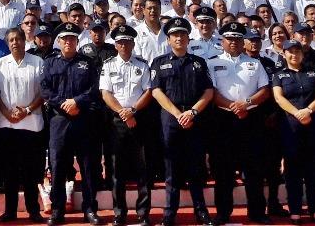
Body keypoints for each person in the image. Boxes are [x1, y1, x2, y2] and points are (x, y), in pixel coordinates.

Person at [150, 17, 215, 226]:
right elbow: (156, 91)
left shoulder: (198, 62)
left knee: (196, 168)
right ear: (168, 39)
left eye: (182, 34)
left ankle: (201, 212)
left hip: (195, 119)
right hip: (171, 119)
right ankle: (169, 214)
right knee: (171, 169)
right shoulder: (159, 62)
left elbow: (208, 91)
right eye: (174, 35)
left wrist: (193, 113)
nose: (179, 38)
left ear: (188, 38)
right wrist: (178, 114)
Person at [41, 22, 101, 226]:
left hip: (83, 118)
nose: (68, 41)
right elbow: (45, 89)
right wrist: (63, 104)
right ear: (58, 41)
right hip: (59, 119)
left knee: (88, 166)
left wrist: (76, 102)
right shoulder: (50, 62)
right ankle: (57, 209)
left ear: (77, 41)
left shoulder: (87, 62)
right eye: (65, 38)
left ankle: (90, 208)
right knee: (57, 165)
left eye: (72, 38)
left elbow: (94, 89)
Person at [209, 23, 270, 224]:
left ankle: (257, 212)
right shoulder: (212, 62)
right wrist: (233, 106)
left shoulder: (254, 63)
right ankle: (223, 213)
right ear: (223, 41)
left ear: (242, 41)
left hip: (250, 121)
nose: (233, 42)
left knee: (254, 170)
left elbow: (265, 89)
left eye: (237, 38)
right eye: (229, 38)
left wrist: (247, 103)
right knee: (223, 171)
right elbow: (211, 93)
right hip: (223, 122)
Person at [99, 24, 154, 226]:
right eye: (120, 42)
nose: (123, 44)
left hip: (139, 120)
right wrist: (123, 113)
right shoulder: (108, 65)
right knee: (116, 171)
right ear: (115, 45)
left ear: (132, 43)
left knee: (144, 170)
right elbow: (106, 93)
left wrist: (132, 111)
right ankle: (119, 213)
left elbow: (148, 91)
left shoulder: (142, 65)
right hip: (117, 122)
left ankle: (143, 213)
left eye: (127, 41)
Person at [0, 27, 46, 222]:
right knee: (10, 172)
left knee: (31, 172)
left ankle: (33, 210)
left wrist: (27, 110)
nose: (15, 42)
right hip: (7, 125)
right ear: (7, 43)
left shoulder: (37, 63)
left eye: (18, 39)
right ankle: (10, 211)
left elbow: (43, 93)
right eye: (11, 40)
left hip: (31, 124)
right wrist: (6, 113)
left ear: (25, 40)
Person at [271, 39, 315, 223]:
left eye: (297, 51)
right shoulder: (279, 75)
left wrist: (308, 111)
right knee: (292, 170)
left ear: (303, 54)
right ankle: (295, 208)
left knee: (314, 169)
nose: (294, 55)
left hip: (314, 125)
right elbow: (279, 98)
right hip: (290, 128)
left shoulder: (314, 73)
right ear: (284, 54)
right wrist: (297, 113)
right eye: (290, 52)